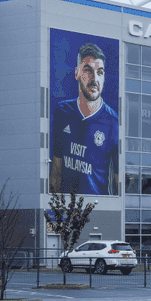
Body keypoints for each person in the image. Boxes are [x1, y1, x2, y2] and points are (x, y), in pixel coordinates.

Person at [50, 42, 119, 195]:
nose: (95, 79)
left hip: (97, 204)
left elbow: (118, 182)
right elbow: (56, 168)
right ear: (77, 73)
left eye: (100, 72)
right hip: (66, 204)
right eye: (88, 71)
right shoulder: (62, 111)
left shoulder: (113, 122)